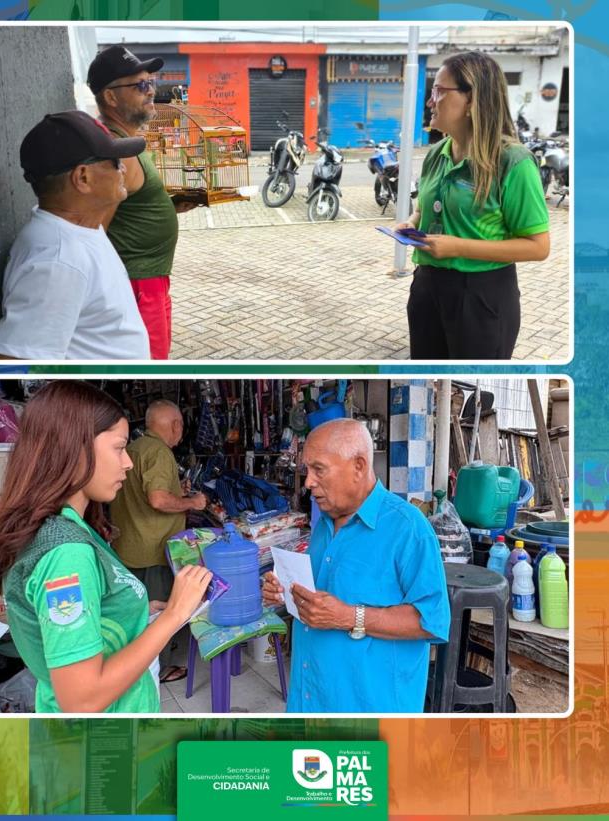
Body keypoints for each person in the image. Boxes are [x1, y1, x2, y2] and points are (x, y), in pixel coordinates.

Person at [0, 381, 212, 713]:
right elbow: (82, 698)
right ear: (74, 448)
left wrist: (134, 609)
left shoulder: (67, 524)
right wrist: (177, 613)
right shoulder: (65, 553)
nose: (128, 463)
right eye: (119, 447)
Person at [262, 418, 450, 713]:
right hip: (311, 698)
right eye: (307, 471)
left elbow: (431, 621)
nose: (309, 482)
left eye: (318, 469)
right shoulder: (324, 523)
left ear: (359, 466)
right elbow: (321, 594)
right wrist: (285, 591)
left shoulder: (408, 529)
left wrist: (350, 616)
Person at [397, 51, 550, 360]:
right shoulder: (436, 153)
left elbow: (538, 247)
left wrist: (458, 247)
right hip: (427, 286)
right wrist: (412, 224)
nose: (431, 100)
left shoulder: (512, 162)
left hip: (482, 296)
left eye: (440, 91)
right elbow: (424, 208)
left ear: (472, 100)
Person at [0, 111, 151, 361]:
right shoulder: (58, 262)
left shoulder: (79, 229)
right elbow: (15, 361)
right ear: (83, 178)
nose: (122, 169)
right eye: (114, 162)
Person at [88, 45, 193, 360]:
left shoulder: (127, 138)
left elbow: (128, 204)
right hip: (138, 284)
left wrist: (171, 206)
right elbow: (94, 229)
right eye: (141, 86)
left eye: (152, 83)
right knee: (149, 359)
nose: (151, 92)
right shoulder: (114, 149)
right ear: (110, 97)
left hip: (151, 279)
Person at [109, 400, 208, 683]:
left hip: (129, 546)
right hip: (153, 549)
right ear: (175, 425)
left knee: (138, 612)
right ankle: (159, 669)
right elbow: (158, 499)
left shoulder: (133, 449)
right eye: (180, 425)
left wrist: (178, 490)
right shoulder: (160, 452)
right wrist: (192, 502)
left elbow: (146, 493)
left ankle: (133, 664)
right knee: (160, 614)